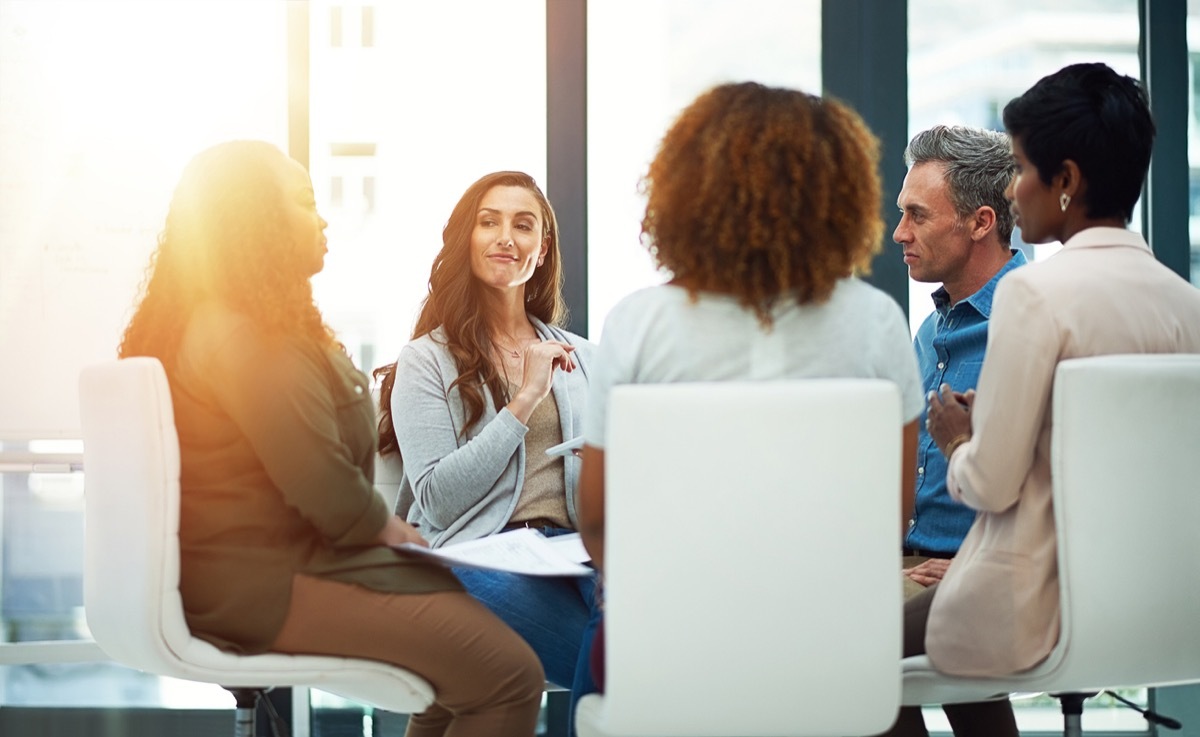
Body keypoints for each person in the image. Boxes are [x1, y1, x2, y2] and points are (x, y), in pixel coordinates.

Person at [117, 141, 544, 737]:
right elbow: (326, 490)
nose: (322, 219)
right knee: (510, 678)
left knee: (461, 680)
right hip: (266, 583)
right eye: (305, 203)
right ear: (254, 220)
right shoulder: (244, 338)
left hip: (262, 572)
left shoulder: (236, 322)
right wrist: (403, 536)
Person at [575, 81, 926, 691]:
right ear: (835, 198)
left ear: (686, 192)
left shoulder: (638, 325)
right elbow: (887, 521)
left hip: (669, 656)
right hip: (831, 654)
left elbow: (599, 520)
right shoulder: (876, 323)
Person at [885, 63, 1200, 737]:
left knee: (840, 648)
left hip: (1033, 597)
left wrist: (955, 438)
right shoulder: (1188, 306)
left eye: (1023, 168)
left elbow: (990, 485)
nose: (1015, 186)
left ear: (1066, 182)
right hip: (1159, 606)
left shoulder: (1034, 297)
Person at [375, 171, 600, 730]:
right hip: (473, 555)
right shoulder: (426, 361)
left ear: (542, 251)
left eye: (524, 225)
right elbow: (437, 499)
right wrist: (522, 402)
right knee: (618, 662)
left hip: (572, 553)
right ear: (466, 241)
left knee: (651, 626)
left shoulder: (584, 356)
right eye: (489, 222)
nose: (506, 237)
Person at [893, 125, 1025, 599]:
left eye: (917, 216)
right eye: (901, 213)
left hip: (978, 579)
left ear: (981, 222)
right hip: (905, 567)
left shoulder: (1034, 323)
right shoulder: (930, 331)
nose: (899, 232)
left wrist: (981, 569)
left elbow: (1065, 493)